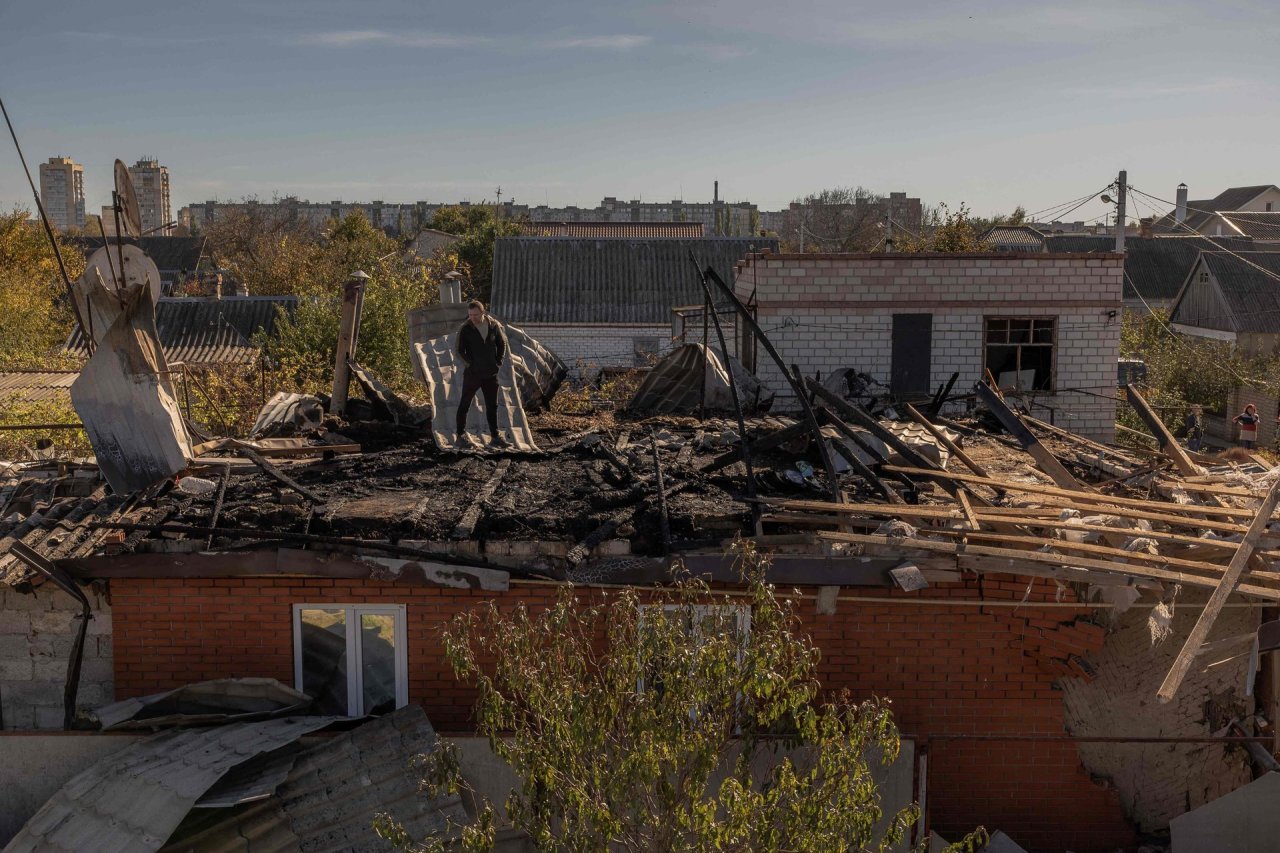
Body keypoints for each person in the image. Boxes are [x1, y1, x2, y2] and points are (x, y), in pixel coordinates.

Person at [455, 300, 510, 448]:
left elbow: (502, 344)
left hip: (491, 374)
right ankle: (460, 436)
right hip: (473, 374)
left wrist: (498, 362)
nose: (472, 317)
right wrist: (469, 364)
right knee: (464, 404)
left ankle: (495, 437)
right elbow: (459, 351)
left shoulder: (493, 325)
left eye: (475, 314)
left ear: (483, 313)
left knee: (492, 405)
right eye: (470, 314)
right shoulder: (465, 328)